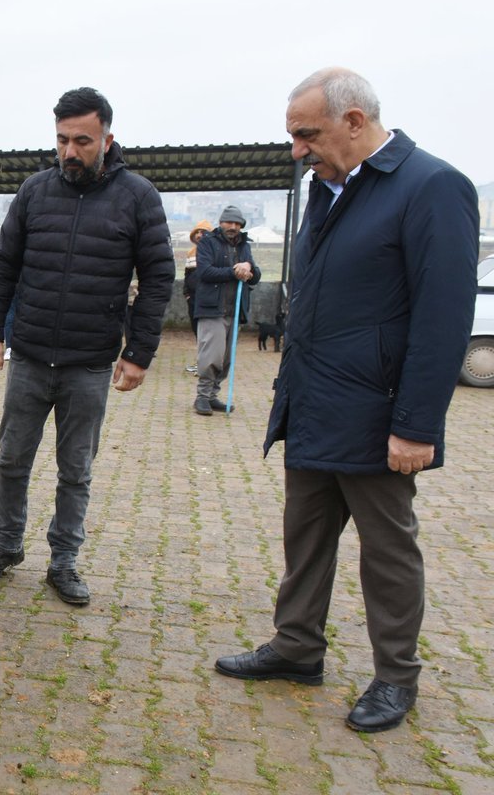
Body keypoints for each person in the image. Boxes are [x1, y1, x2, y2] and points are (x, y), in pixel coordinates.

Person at [214, 67, 479, 734]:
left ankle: (396, 677)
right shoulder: (326, 191)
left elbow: (443, 318)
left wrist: (417, 425)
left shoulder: (431, 187)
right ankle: (297, 646)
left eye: (308, 134)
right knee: (305, 538)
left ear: (355, 121)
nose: (297, 149)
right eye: (294, 136)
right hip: (312, 405)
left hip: (377, 414)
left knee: (387, 551)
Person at [0, 87, 174, 607]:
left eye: (82, 140)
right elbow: (3, 265)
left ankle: (64, 561)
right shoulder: (35, 191)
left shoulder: (138, 197)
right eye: (62, 140)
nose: (70, 151)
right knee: (12, 459)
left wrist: (139, 351)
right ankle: (8, 545)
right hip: (31, 357)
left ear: (108, 138)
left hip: (90, 364)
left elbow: (157, 277)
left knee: (75, 470)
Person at [191, 206, 260, 415]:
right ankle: (202, 397)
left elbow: (255, 276)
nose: (233, 227)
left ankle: (213, 396)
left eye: (237, 224)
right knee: (212, 355)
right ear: (221, 223)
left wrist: (249, 268)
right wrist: (234, 271)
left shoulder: (244, 246)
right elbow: (205, 272)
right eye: (229, 222)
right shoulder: (207, 243)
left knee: (226, 358)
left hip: (234, 310)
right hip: (212, 309)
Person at [183, 219, 212, 373]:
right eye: (197, 233)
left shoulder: (213, 252)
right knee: (197, 330)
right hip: (193, 299)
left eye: (203, 232)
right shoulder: (191, 253)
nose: (200, 235)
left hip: (207, 299)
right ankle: (200, 361)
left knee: (207, 332)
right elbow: (187, 274)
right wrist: (186, 293)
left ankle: (206, 364)